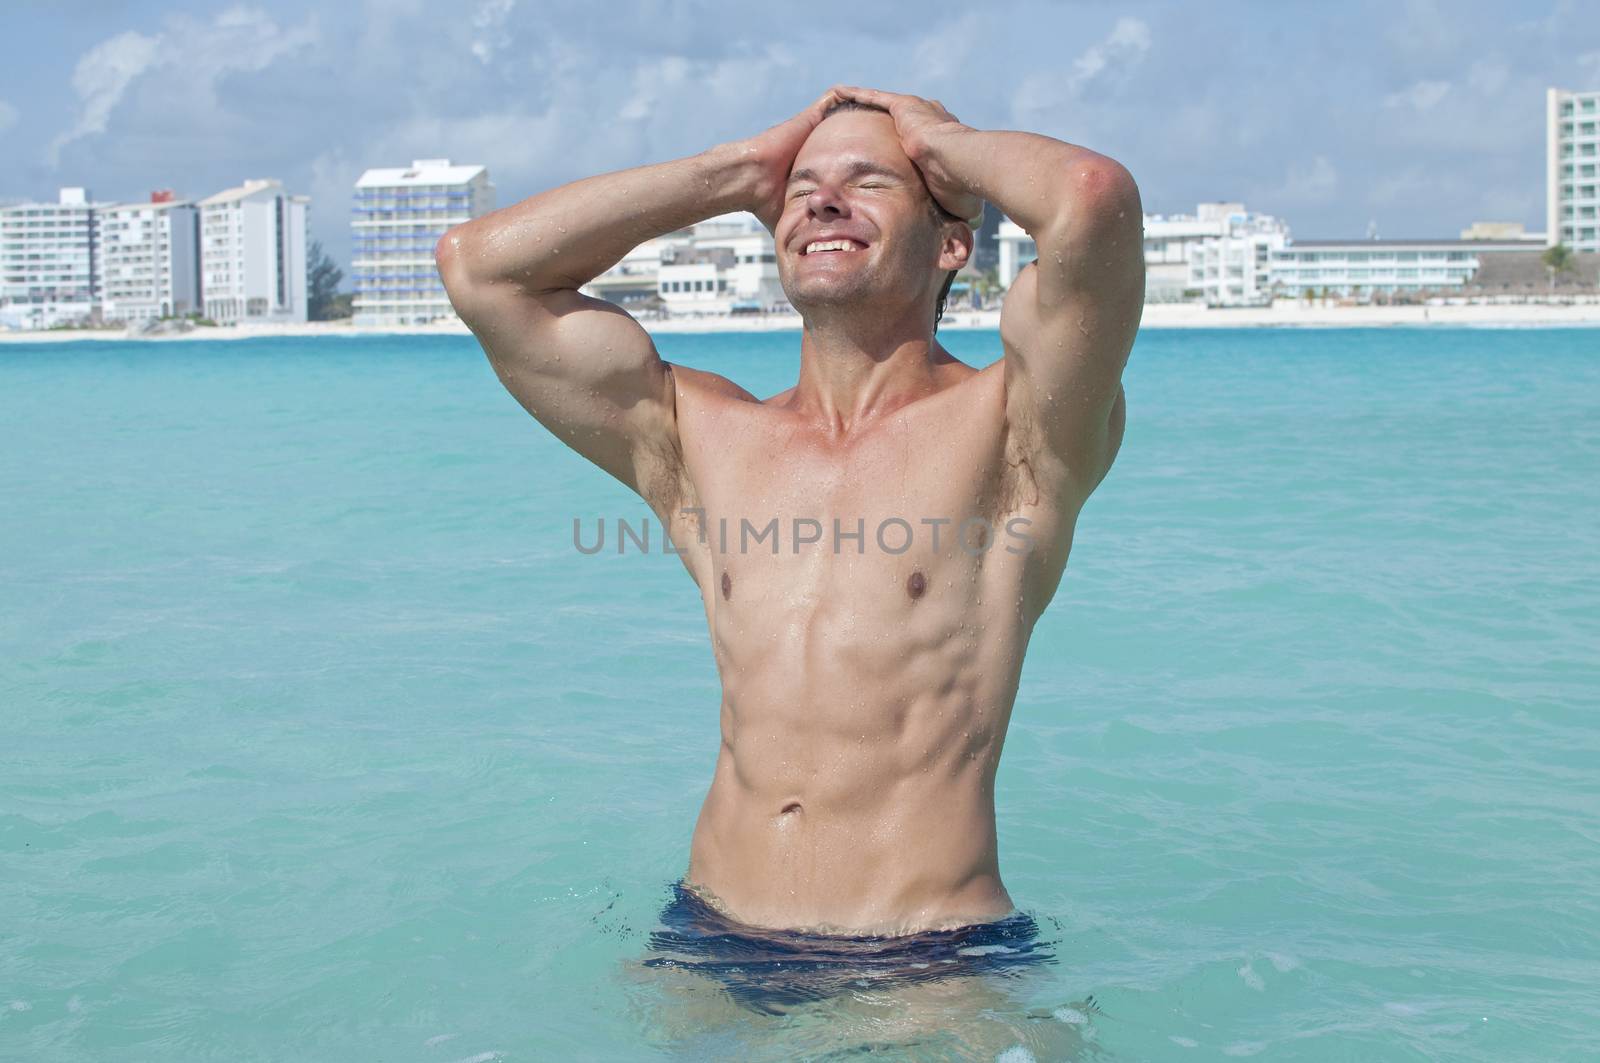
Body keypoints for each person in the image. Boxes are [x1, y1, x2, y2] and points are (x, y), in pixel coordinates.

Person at [436, 85, 1142, 1010]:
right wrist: (734, 172)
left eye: (871, 182)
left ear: (954, 241)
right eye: (802, 188)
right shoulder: (699, 435)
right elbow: (480, 270)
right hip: (709, 943)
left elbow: (1090, 198)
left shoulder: (1015, 430)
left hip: (928, 958)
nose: (822, 201)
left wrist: (941, 140)